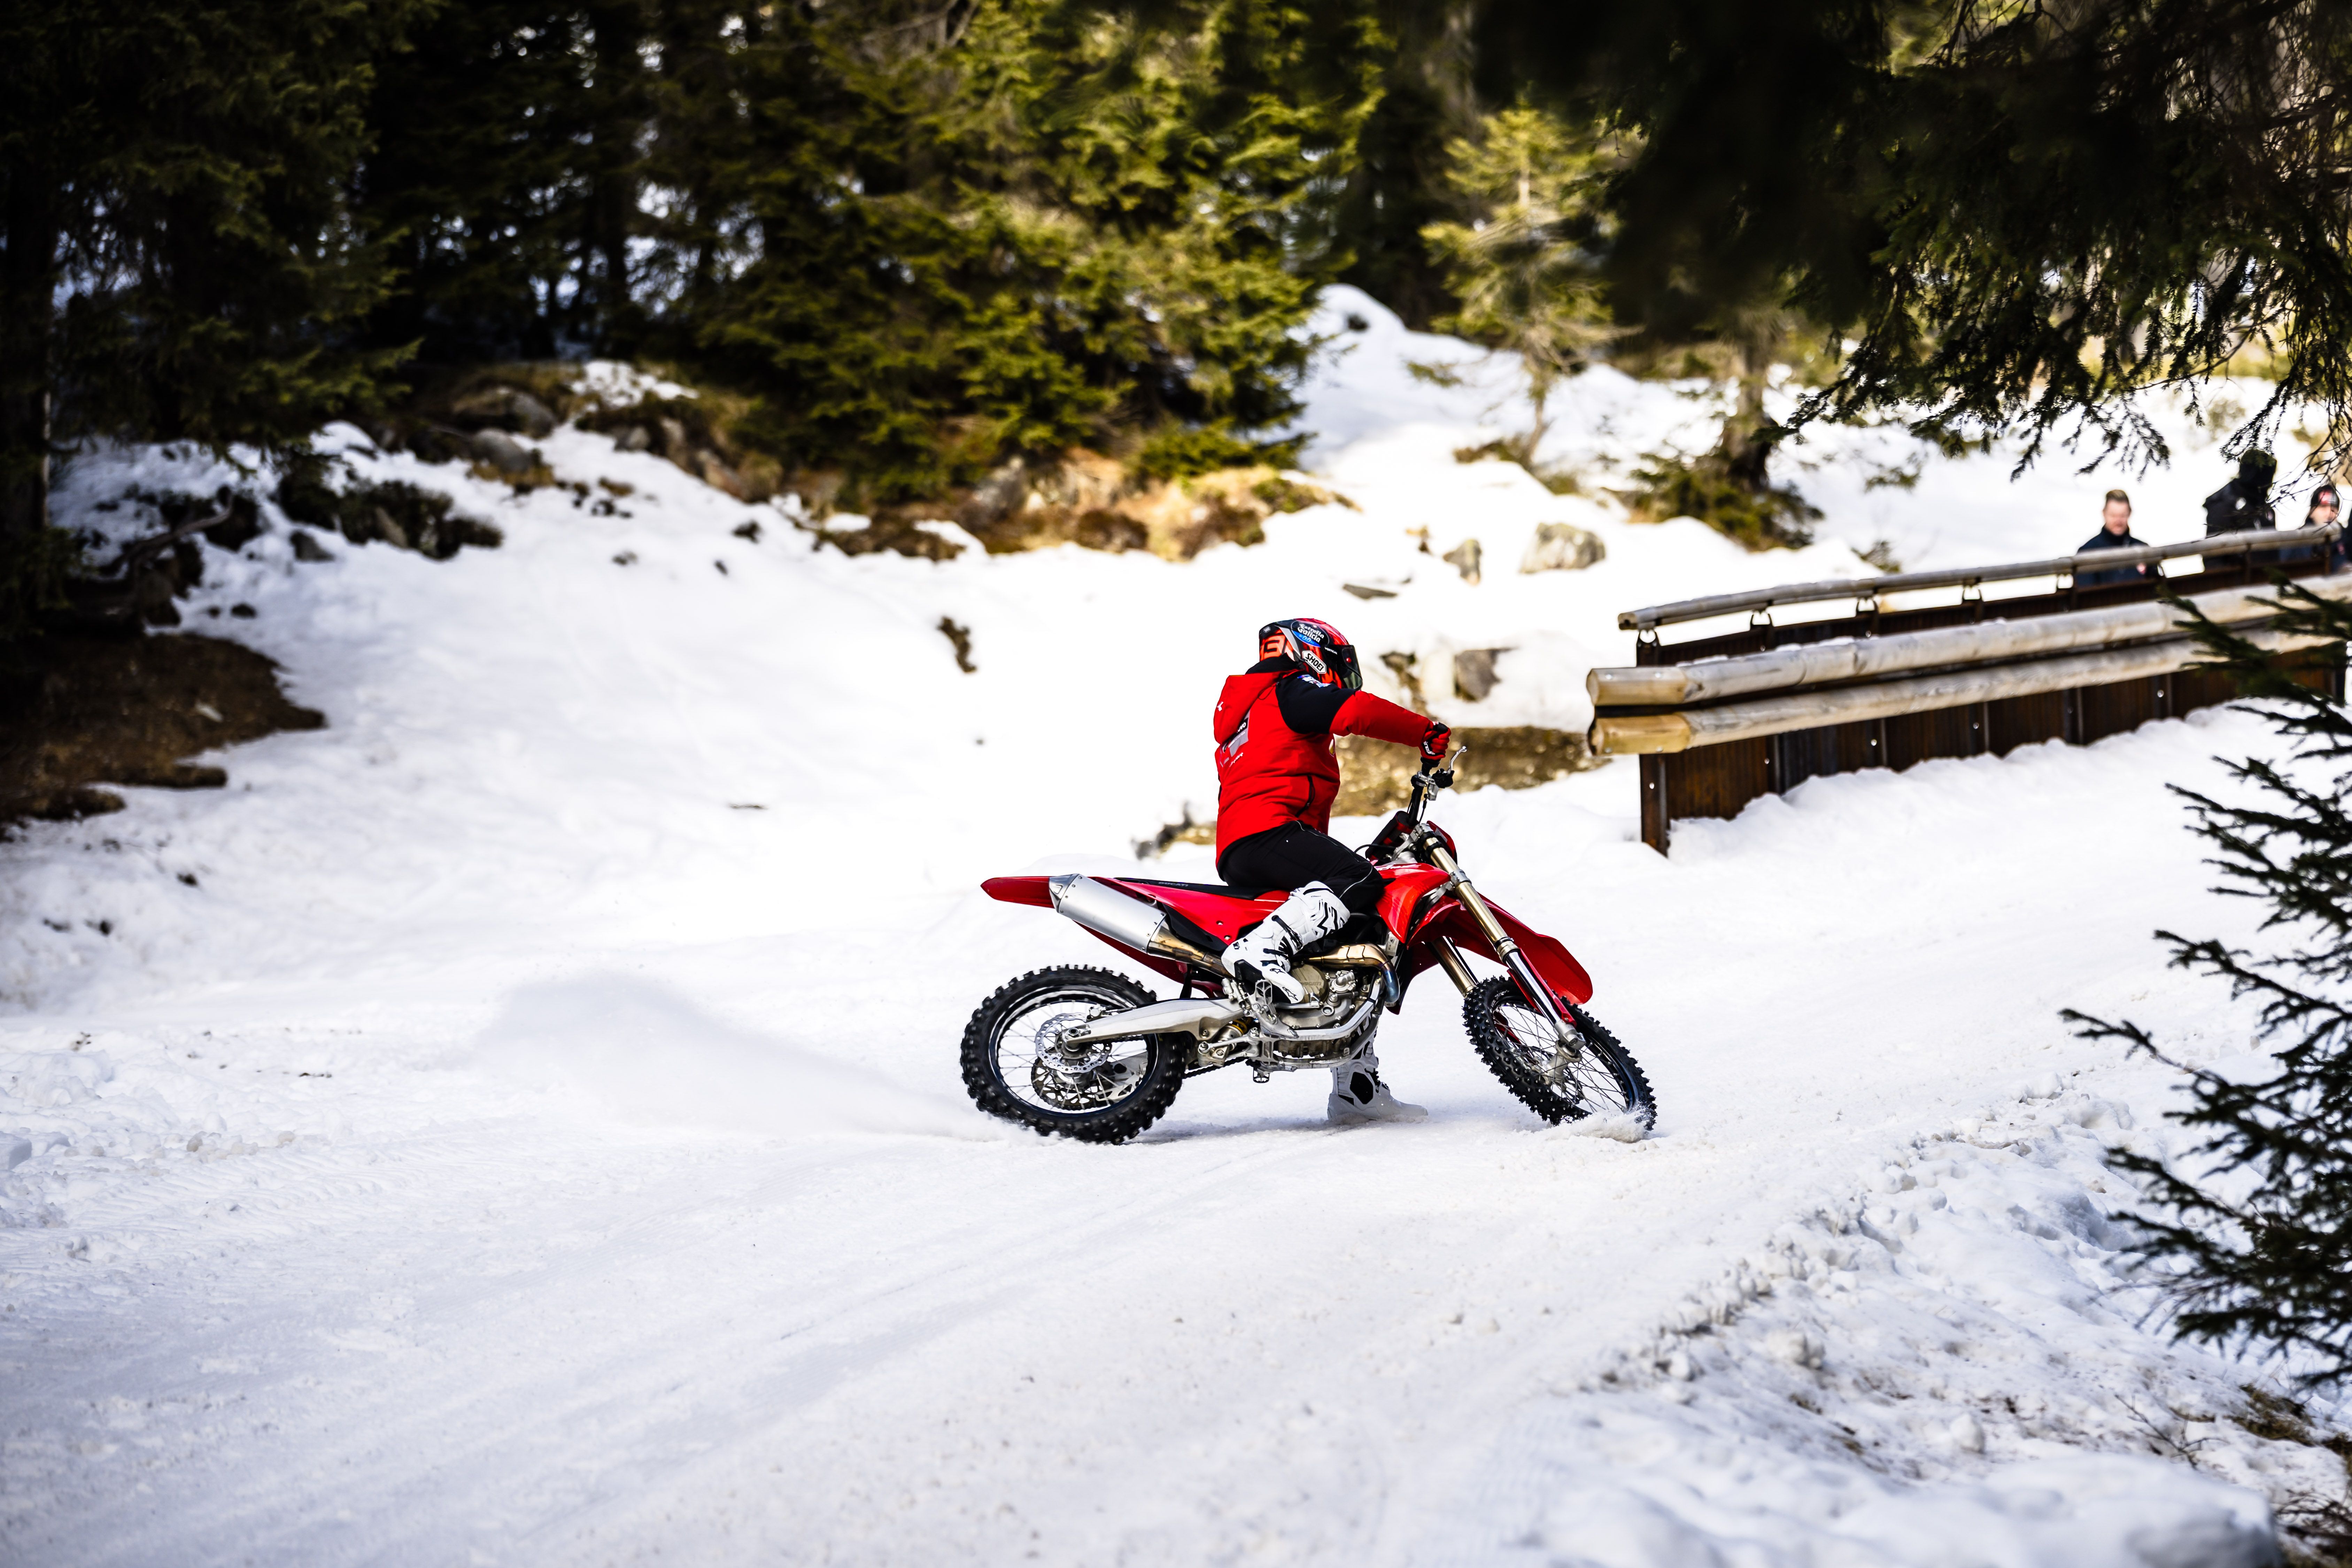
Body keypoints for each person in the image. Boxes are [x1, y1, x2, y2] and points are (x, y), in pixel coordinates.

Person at [1213, 617, 1449, 1124]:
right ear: (1313, 654)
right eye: (1339, 665)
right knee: (1360, 880)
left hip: (1255, 838)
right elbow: (1356, 711)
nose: (1341, 677)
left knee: (1360, 934)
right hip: (1266, 833)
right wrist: (1425, 732)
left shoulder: (1253, 711)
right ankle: (1261, 950)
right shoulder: (1289, 690)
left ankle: (1354, 1087)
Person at [2204, 449, 2279, 570]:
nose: (2270, 483)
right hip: (2236, 583)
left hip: (2266, 580)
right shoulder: (2224, 507)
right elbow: (2213, 558)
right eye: (2267, 476)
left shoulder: (2265, 510)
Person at [2076, 489, 2151, 587]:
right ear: (2104, 513)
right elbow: (2087, 598)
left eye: (2123, 516)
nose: (2118, 521)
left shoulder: (2144, 550)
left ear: (2130, 513)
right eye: (2113, 516)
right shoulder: (2087, 553)